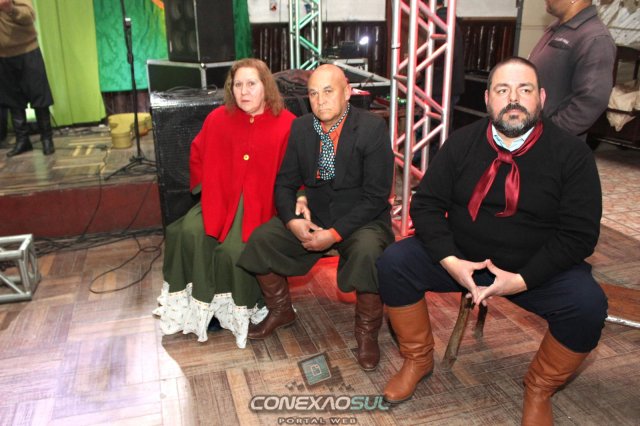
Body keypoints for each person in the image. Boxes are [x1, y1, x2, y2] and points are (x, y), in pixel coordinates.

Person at [376, 58, 607, 425]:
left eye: (524, 90)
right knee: (394, 262)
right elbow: (427, 205)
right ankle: (417, 360)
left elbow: (580, 235)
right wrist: (451, 261)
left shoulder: (572, 154)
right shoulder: (461, 142)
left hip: (533, 268)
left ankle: (539, 389)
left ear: (541, 98)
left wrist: (522, 279)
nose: (513, 99)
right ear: (487, 99)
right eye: (503, 90)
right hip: (463, 259)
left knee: (588, 305)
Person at [237, 64, 395, 371]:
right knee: (261, 240)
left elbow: (376, 196)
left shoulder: (371, 128)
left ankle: (367, 333)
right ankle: (281, 310)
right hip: (317, 214)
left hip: (362, 218)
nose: (320, 101)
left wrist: (333, 234)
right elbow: (284, 183)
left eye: (328, 91)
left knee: (368, 252)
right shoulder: (301, 127)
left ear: (347, 93)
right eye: (313, 93)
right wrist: (292, 221)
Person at [153, 58, 296, 349]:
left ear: (266, 86)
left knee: (234, 249)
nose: (244, 91)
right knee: (188, 231)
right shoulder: (218, 118)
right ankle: (206, 308)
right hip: (222, 199)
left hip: (263, 206)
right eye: (237, 85)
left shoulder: (287, 123)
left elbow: (297, 172)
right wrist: (210, 189)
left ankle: (242, 308)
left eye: (251, 84)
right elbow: (197, 153)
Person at [528, 0, 615, 139]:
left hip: (553, 143)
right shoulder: (557, 27)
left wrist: (548, 133)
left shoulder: (596, 38)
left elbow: (591, 101)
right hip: (531, 132)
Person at [0, 0, 55, 156]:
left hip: (27, 51)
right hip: (3, 56)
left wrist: (10, 9)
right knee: (13, 101)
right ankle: (22, 140)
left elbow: (29, 16)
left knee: (39, 96)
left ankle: (46, 139)